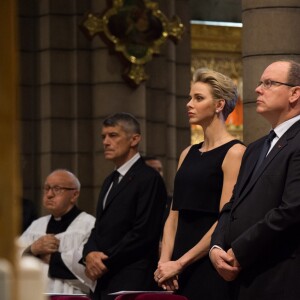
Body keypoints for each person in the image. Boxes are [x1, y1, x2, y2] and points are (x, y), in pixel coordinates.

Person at [209, 60, 300, 300]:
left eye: (269, 83)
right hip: (241, 274)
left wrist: (239, 250)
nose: (258, 89)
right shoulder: (255, 148)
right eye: (260, 83)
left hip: (279, 274)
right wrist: (216, 247)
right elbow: (232, 205)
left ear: (295, 93)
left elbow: (292, 209)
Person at [154, 68, 246, 300]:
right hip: (176, 264)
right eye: (189, 97)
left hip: (208, 262)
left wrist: (181, 263)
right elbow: (173, 216)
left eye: (198, 98)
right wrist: (165, 262)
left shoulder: (235, 152)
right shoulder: (188, 153)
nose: (189, 104)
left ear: (218, 105)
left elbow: (224, 221)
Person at [82, 112, 167, 300]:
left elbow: (144, 233)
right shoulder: (109, 180)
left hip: (132, 278)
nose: (105, 142)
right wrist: (89, 254)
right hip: (105, 277)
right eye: (103, 136)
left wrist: (103, 260)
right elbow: (100, 227)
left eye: (113, 135)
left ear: (134, 139)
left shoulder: (148, 178)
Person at [19, 169, 95, 294]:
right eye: (47, 188)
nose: (49, 194)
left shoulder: (89, 225)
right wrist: (33, 249)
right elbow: (14, 257)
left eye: (57, 189)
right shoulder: (36, 225)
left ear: (74, 195)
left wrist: (49, 257)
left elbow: (88, 268)